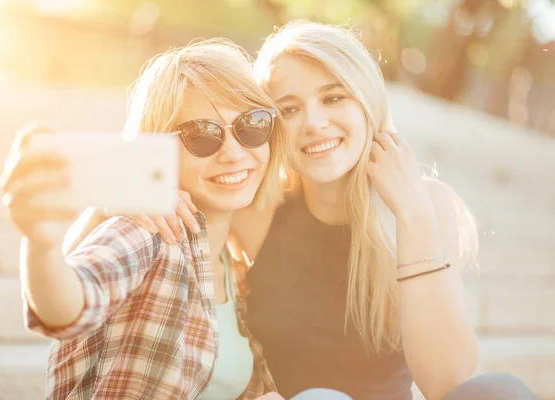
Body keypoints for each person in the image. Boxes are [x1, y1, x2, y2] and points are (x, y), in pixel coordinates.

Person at [61, 21, 539, 400]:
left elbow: (448, 382)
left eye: (333, 97)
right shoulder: (256, 209)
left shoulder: (423, 205)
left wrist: (411, 212)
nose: (314, 123)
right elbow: (80, 260)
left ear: (367, 100)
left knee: (500, 391)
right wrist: (114, 196)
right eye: (288, 109)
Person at [0, 39, 288, 399]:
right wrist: (41, 243)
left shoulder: (233, 264)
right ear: (155, 146)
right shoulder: (150, 231)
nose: (233, 153)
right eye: (202, 135)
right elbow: (67, 306)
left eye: (251, 125)